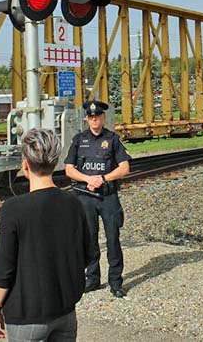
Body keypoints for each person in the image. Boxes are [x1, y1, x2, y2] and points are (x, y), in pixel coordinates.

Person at [0, 128, 98, 341]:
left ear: (25, 165)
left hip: (26, 314)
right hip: (65, 310)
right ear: (55, 162)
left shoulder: (14, 208)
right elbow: (89, 253)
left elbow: (4, 268)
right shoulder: (74, 203)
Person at [64, 100, 132, 298]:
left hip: (107, 196)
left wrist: (102, 179)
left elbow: (124, 168)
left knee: (113, 240)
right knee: (89, 240)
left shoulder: (112, 139)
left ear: (103, 117)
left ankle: (115, 282)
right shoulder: (79, 140)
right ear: (87, 119)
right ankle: (92, 278)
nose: (94, 119)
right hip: (85, 197)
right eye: (91, 117)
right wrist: (88, 179)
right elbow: (69, 169)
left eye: (98, 116)